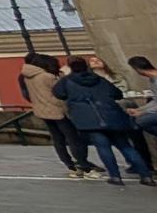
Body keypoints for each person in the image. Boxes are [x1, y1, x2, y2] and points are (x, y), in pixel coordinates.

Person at [54, 57, 154, 187]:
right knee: (126, 146)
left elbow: (58, 94)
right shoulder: (99, 79)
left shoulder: (66, 81)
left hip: (88, 120)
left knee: (103, 148)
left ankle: (115, 177)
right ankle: (146, 176)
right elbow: (117, 93)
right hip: (112, 116)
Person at [20, 53, 97, 179]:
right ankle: (84, 166)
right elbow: (60, 93)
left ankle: (70, 165)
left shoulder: (27, 77)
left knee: (58, 139)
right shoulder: (48, 77)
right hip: (58, 111)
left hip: (42, 111)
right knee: (73, 138)